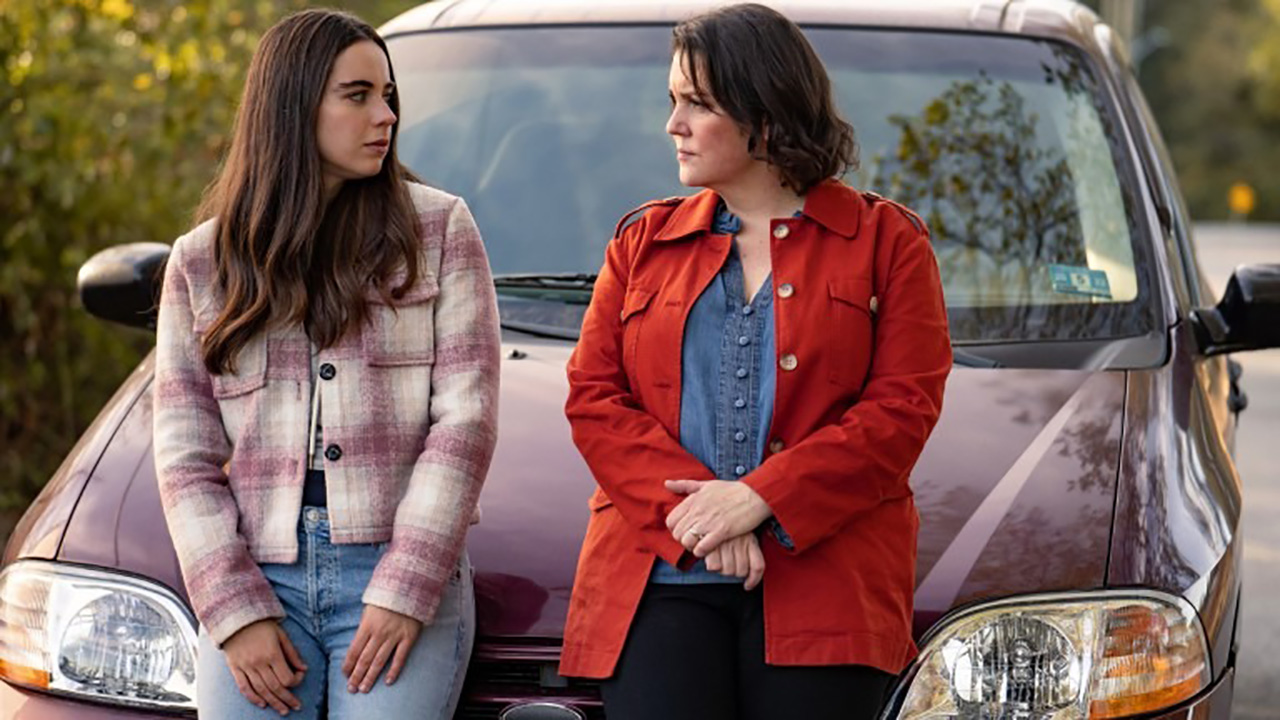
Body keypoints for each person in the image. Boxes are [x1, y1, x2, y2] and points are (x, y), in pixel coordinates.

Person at [559, 4, 952, 719]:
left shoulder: (889, 243)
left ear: (765, 117)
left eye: (696, 104)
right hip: (658, 574)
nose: (671, 124)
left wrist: (762, 496)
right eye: (672, 101)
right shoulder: (640, 242)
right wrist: (709, 518)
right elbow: (594, 398)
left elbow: (902, 412)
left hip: (829, 583)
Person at [151, 9, 500, 719]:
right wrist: (234, 609)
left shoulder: (439, 230)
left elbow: (465, 421)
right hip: (259, 578)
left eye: (389, 95)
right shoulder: (201, 263)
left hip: (395, 568)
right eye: (358, 95)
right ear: (293, 105)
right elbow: (183, 455)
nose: (386, 116)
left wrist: (407, 587)